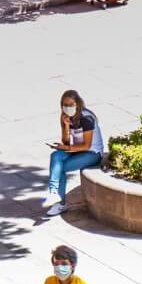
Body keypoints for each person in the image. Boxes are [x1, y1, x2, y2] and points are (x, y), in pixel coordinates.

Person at [41, 89, 104, 217]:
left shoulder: (87, 118)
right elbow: (66, 141)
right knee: (56, 155)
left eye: (70, 105)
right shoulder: (65, 116)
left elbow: (86, 145)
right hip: (76, 149)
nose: (67, 108)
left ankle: (60, 202)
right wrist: (65, 127)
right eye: (65, 105)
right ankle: (54, 193)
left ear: (78, 104)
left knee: (61, 168)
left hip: (92, 153)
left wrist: (67, 148)